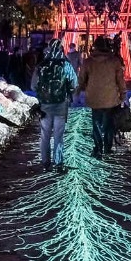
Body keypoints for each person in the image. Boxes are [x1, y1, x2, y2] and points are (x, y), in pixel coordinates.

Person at [31, 39, 77, 173]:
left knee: (45, 135)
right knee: (58, 136)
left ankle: (45, 162)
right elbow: (74, 83)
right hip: (61, 105)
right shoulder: (65, 65)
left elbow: (33, 86)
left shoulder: (42, 65)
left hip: (44, 106)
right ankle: (58, 162)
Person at [77, 38, 126, 159]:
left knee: (96, 123)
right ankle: (107, 148)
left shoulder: (88, 62)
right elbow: (120, 80)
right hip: (111, 98)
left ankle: (98, 148)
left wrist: (80, 89)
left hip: (94, 97)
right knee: (109, 124)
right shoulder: (114, 61)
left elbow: (81, 78)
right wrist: (122, 93)